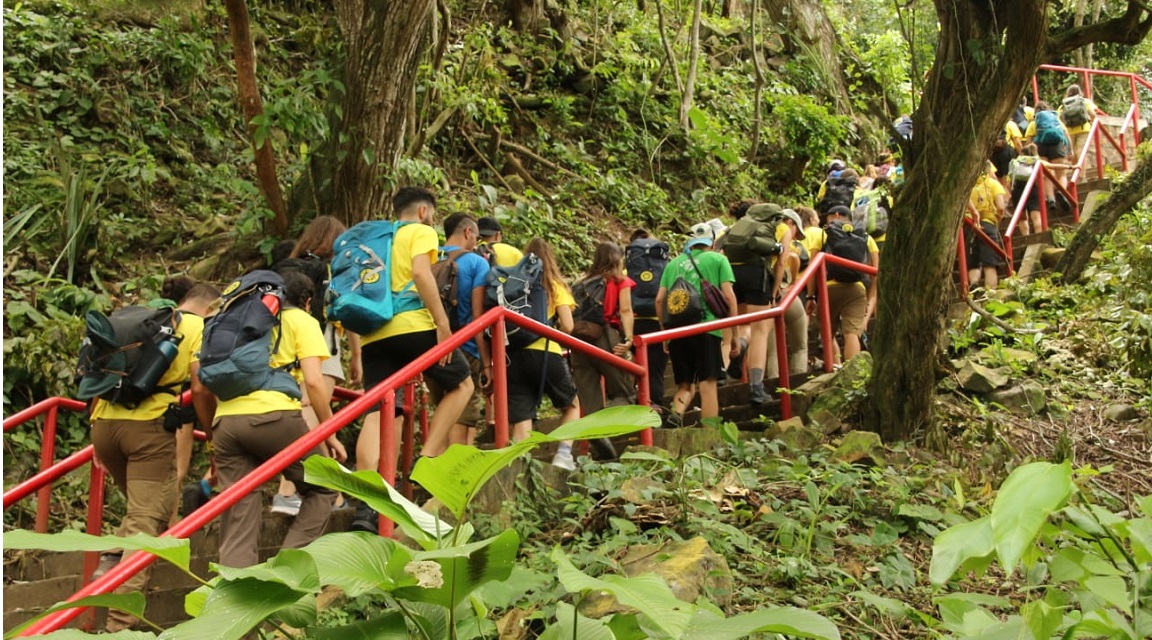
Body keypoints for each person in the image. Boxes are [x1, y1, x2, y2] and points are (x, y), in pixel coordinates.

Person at [90, 281, 213, 632]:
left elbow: (99, 375)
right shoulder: (196, 326)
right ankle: (118, 626)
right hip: (147, 429)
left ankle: (113, 554)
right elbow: (200, 385)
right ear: (209, 306)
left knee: (151, 504)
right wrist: (211, 432)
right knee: (145, 523)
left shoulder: (141, 322)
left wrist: (96, 431)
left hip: (105, 426)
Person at [205, 271, 347, 568]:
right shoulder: (302, 321)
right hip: (273, 417)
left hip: (226, 422)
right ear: (308, 302)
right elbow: (315, 382)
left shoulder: (244, 320)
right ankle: (286, 571)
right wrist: (329, 431)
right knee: (323, 487)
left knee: (240, 505)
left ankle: (235, 594)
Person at [354, 187, 475, 530]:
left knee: (380, 413)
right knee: (462, 385)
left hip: (375, 333)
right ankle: (426, 462)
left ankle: (368, 503)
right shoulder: (420, 232)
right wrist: (441, 323)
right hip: (412, 326)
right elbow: (422, 273)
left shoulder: (378, 239)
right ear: (423, 211)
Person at [270, 215, 362, 516]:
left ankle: (328, 493)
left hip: (281, 347)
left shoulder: (288, 266)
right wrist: (357, 355)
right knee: (314, 415)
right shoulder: (331, 268)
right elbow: (344, 307)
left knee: (304, 413)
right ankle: (288, 490)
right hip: (319, 342)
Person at [498, 238, 582, 468]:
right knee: (571, 405)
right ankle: (563, 456)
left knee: (522, 415)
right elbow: (568, 326)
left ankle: (518, 467)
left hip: (513, 355)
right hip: (546, 352)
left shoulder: (513, 284)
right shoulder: (554, 284)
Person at [656, 224, 738, 429]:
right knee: (707, 383)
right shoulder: (719, 259)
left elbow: (659, 300)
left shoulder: (672, 264)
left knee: (685, 385)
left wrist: (665, 334)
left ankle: (676, 413)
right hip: (707, 329)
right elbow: (729, 297)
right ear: (711, 241)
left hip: (678, 331)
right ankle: (709, 432)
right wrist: (734, 333)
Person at [427, 213, 492, 446]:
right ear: (468, 233)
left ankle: (434, 475)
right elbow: (477, 316)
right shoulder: (476, 262)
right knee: (462, 415)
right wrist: (486, 362)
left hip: (431, 347)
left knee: (443, 411)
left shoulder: (429, 258)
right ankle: (452, 477)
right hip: (465, 347)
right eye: (476, 236)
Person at [720, 202, 789, 405]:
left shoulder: (738, 227)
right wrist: (775, 291)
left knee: (741, 324)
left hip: (732, 274)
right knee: (760, 330)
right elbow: (782, 262)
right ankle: (756, 388)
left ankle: (732, 356)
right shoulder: (781, 227)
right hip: (756, 274)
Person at [570, 241, 636, 417]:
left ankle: (598, 438)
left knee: (590, 403)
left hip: (579, 342)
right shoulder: (619, 281)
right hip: (606, 339)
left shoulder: (580, 282)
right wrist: (629, 339)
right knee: (625, 393)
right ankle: (619, 429)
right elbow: (625, 310)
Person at [806, 206, 879, 364]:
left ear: (836, 215)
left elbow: (812, 269)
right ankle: (852, 377)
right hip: (856, 288)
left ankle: (834, 368)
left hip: (828, 289)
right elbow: (875, 272)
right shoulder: (866, 237)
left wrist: (811, 296)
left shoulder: (823, 234)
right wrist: (869, 299)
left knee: (827, 333)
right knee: (852, 333)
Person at [764, 208, 810, 383]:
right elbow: (785, 264)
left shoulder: (762, 232)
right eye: (796, 230)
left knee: (772, 349)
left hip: (763, 296)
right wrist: (780, 288)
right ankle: (799, 379)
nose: (795, 235)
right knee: (800, 345)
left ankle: (774, 383)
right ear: (789, 222)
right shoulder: (784, 234)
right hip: (782, 294)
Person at [626, 228, 670, 408]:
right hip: (657, 322)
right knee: (656, 369)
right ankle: (655, 406)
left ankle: (635, 400)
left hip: (633, 321)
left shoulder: (627, 269)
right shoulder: (664, 266)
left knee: (634, 365)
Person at [965, 162, 1008, 290]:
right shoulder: (993, 184)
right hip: (988, 225)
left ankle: (974, 284)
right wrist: (997, 222)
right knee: (990, 263)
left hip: (968, 225)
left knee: (973, 261)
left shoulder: (967, 186)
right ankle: (990, 294)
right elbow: (1000, 207)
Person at [1025, 101, 1071, 208]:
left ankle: (1051, 200)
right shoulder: (1056, 120)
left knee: (1046, 175)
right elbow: (1066, 134)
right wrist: (1070, 150)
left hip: (1040, 146)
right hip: (1056, 145)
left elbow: (1028, 142)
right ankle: (1061, 192)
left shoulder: (1034, 123)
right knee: (1061, 174)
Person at [1058, 84, 1099, 161]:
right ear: (1080, 92)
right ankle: (1081, 173)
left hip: (1069, 131)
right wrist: (1091, 122)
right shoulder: (1085, 101)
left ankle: (1075, 171)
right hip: (1084, 129)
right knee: (1081, 152)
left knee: (1072, 153)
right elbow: (1093, 114)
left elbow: (1059, 119)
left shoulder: (1064, 105)